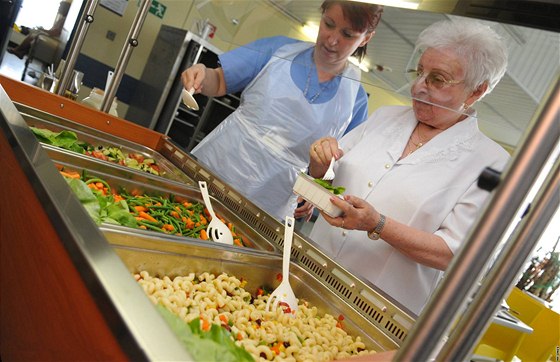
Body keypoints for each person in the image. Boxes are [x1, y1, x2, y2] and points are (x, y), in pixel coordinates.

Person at [306, 18, 510, 316]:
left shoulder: (491, 163)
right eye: (420, 72)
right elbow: (326, 178)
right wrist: (318, 162)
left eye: (437, 79)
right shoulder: (385, 117)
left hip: (374, 310)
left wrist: (377, 224)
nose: (418, 86)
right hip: (309, 269)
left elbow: (455, 254)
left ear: (477, 91)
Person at [181, 0, 383, 221]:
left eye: (347, 34)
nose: (332, 39)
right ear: (322, 15)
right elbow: (219, 81)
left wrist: (315, 194)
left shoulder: (356, 99)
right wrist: (202, 74)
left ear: (366, 38)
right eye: (328, 24)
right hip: (220, 163)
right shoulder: (278, 49)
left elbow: (336, 174)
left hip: (272, 199)